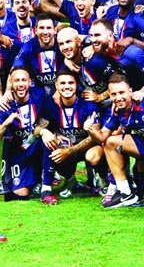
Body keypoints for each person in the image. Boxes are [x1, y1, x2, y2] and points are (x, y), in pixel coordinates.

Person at [85, 73, 144, 208]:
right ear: (109, 95)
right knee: (110, 142)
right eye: (114, 94)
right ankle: (125, 192)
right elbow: (102, 137)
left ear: (130, 91)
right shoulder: (116, 110)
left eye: (122, 92)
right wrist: (90, 129)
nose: (118, 97)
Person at [0, 67, 48, 202]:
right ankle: (30, 179)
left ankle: (46, 183)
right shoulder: (5, 105)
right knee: (21, 193)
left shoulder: (39, 94)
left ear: (30, 82)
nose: (20, 84)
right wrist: (6, 123)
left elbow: (49, 115)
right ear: (11, 84)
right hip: (19, 152)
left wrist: (42, 130)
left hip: (34, 144)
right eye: (17, 81)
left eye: (24, 80)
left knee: (47, 139)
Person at [42, 70, 104, 202]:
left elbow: (96, 137)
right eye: (62, 83)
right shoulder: (51, 104)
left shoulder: (89, 104)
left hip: (87, 147)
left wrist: (69, 151)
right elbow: (39, 127)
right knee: (49, 143)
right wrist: (45, 132)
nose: (67, 86)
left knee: (94, 154)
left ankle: (100, 180)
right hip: (68, 146)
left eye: (71, 83)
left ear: (76, 85)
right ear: (56, 86)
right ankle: (58, 184)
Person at [12, 13, 64, 96]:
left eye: (49, 28)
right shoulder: (29, 47)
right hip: (39, 91)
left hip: (63, 88)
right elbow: (15, 70)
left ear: (55, 30)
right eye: (41, 28)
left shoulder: (63, 42)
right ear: (35, 30)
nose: (45, 32)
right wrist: (7, 91)